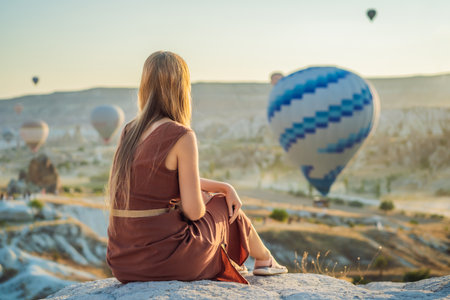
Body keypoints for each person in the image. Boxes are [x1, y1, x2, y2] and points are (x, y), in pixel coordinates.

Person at [106, 51, 287, 285]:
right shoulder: (180, 134)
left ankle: (264, 259)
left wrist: (222, 186)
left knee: (220, 196)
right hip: (167, 262)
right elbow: (194, 213)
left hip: (123, 265)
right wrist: (210, 196)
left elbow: (155, 179)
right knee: (222, 204)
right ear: (182, 88)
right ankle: (264, 259)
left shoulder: (130, 131)